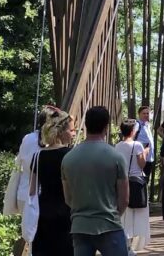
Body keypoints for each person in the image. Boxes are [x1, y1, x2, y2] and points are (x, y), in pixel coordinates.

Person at [62, 106, 129, 256]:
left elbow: (68, 198)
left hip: (80, 226)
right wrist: (113, 215)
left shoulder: (68, 159)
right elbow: (124, 199)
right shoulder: (116, 157)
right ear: (106, 127)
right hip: (109, 224)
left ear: (86, 125)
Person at [28, 106, 76, 256]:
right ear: (61, 132)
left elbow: (32, 189)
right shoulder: (69, 155)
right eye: (71, 130)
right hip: (65, 211)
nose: (73, 134)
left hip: (43, 211)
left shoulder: (37, 156)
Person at [115, 119, 151, 253]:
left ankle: (126, 242)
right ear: (132, 131)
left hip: (123, 181)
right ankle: (135, 244)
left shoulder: (117, 146)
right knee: (139, 213)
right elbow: (141, 164)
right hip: (137, 181)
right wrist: (146, 152)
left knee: (126, 215)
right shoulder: (137, 145)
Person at [135, 105, 155, 178]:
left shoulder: (147, 125)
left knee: (145, 181)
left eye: (147, 113)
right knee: (140, 181)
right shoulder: (137, 125)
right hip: (141, 159)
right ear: (139, 114)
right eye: (144, 113)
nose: (146, 115)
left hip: (149, 159)